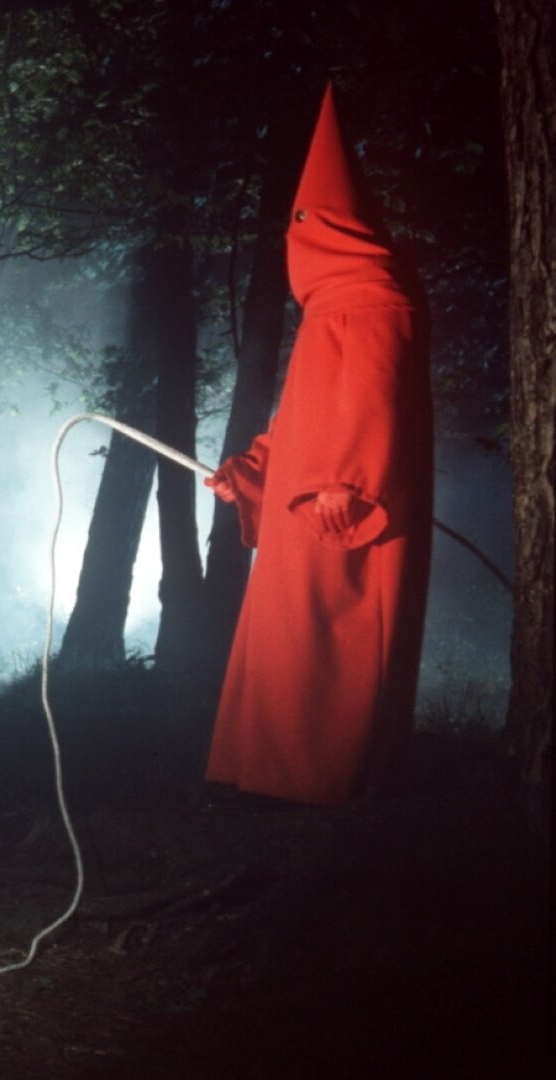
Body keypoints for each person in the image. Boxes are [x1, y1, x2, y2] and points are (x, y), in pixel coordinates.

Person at [203, 85, 433, 806]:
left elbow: (373, 398)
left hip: (344, 509)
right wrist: (249, 469)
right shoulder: (329, 309)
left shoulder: (374, 297)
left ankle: (325, 786)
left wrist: (343, 479)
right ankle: (272, 782)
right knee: (284, 646)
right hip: (308, 504)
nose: (293, 242)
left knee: (332, 646)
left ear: (329, 226)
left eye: (303, 224)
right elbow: (304, 419)